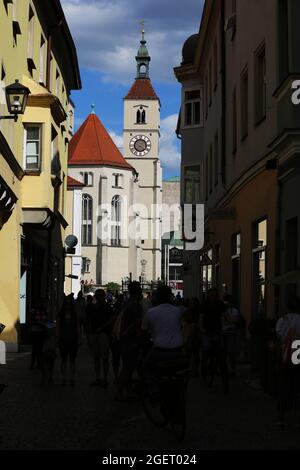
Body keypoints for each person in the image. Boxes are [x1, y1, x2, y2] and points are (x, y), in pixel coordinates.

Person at [142, 285, 185, 384]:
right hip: (177, 351)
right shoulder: (178, 311)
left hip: (159, 351)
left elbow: (143, 332)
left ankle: (154, 392)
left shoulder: (151, 312)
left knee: (146, 367)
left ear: (157, 297)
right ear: (171, 296)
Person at [115, 282, 143, 401]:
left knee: (127, 366)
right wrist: (139, 338)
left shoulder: (126, 303)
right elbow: (137, 323)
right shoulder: (136, 305)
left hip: (123, 338)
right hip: (131, 339)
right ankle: (120, 392)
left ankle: (127, 391)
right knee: (128, 367)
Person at [276, 295, 300, 428]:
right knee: (297, 386)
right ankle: (296, 416)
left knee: (284, 385)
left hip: (285, 355)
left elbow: (279, 337)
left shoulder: (282, 320)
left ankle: (281, 417)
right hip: (298, 354)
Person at [200, 289, 227, 381]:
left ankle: (219, 367)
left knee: (221, 349)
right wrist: (202, 328)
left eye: (215, 295)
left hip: (217, 329)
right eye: (211, 295)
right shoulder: (205, 304)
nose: (213, 297)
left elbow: (224, 315)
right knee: (206, 348)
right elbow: (201, 316)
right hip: (207, 330)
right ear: (208, 296)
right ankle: (204, 366)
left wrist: (230, 323)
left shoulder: (220, 304)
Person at [89, 289, 112, 388]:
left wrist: (102, 328)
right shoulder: (94, 307)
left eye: (99, 296)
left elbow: (110, 320)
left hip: (103, 334)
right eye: (97, 296)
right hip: (97, 333)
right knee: (98, 357)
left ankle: (104, 378)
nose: (98, 298)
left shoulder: (106, 307)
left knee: (103, 357)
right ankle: (100, 378)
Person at [56, 295, 80, 386]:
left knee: (71, 360)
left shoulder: (74, 315)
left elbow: (77, 328)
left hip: (72, 339)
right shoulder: (61, 315)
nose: (68, 306)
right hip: (64, 339)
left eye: (69, 304)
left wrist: (78, 339)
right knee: (64, 360)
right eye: (67, 304)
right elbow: (58, 328)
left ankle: (71, 378)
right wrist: (58, 338)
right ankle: (64, 378)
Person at [222, 294, 240, 376]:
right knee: (223, 351)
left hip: (230, 332)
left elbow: (234, 322)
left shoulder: (234, 311)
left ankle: (232, 368)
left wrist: (227, 315)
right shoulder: (222, 310)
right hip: (223, 332)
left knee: (230, 351)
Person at [183, 298, 201, 377]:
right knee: (195, 352)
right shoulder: (198, 312)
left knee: (189, 352)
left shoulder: (187, 312)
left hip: (190, 333)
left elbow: (185, 322)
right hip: (195, 333)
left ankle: (189, 368)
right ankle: (195, 368)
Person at [30, 300, 48, 370]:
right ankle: (32, 364)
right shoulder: (34, 311)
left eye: (42, 303)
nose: (41, 304)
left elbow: (46, 319)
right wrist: (39, 324)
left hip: (42, 332)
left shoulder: (45, 311)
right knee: (35, 349)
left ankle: (38, 364)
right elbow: (31, 320)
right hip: (35, 331)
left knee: (40, 349)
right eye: (40, 303)